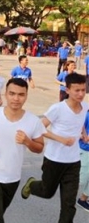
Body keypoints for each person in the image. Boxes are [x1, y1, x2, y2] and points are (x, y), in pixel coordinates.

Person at [0, 78, 45, 223]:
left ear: (26, 96)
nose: (16, 98)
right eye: (12, 93)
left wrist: (27, 141)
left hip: (12, 178)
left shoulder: (33, 121)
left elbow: (40, 147)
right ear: (5, 94)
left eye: (21, 94)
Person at [21, 73, 88, 223]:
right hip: (54, 160)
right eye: (77, 90)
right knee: (47, 192)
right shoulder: (58, 108)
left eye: (83, 90)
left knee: (69, 204)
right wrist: (61, 139)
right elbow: (40, 128)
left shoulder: (85, 107)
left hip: (73, 162)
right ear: (68, 90)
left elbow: (80, 121)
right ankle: (32, 184)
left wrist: (83, 133)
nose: (81, 94)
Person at [76, 110, 89, 211]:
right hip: (85, 150)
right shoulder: (86, 115)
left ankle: (83, 199)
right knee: (82, 179)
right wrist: (83, 136)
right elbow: (77, 127)